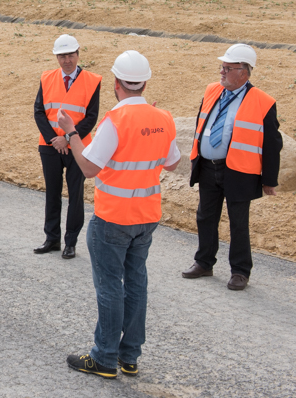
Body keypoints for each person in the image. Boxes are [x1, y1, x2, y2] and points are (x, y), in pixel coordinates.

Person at [59, 50, 179, 379]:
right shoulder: (163, 118)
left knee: (111, 287)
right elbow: (172, 162)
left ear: (116, 83)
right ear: (144, 83)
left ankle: (105, 358)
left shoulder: (116, 120)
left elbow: (88, 168)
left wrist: (72, 134)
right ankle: (129, 357)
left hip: (113, 216)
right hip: (147, 215)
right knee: (136, 283)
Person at [182, 43, 282, 291]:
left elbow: (272, 143)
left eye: (227, 68)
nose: (222, 72)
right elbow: (201, 124)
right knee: (205, 216)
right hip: (207, 166)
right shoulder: (211, 91)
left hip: (238, 171)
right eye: (222, 67)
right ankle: (204, 262)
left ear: (244, 72)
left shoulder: (263, 102)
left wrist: (269, 179)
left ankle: (240, 271)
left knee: (238, 222)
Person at [33, 34, 101, 259]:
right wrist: (54, 139)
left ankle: (70, 242)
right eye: (61, 56)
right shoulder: (46, 77)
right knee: (52, 193)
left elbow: (91, 118)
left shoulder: (92, 81)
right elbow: (39, 112)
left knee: (76, 195)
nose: (66, 60)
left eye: (70, 55)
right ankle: (51, 239)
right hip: (50, 145)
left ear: (78, 54)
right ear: (56, 57)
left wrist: (68, 138)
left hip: (78, 147)